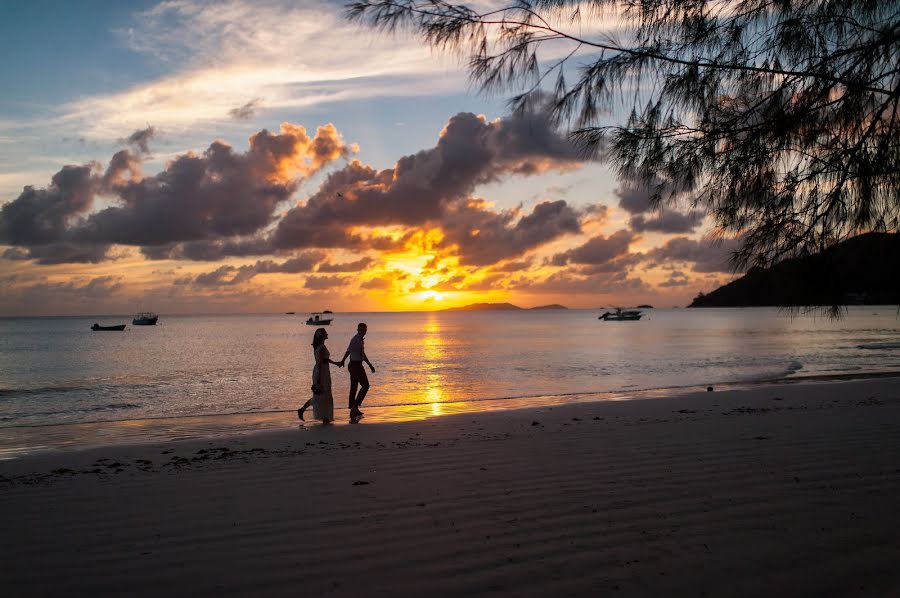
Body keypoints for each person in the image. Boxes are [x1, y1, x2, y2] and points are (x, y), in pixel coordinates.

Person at [297, 328, 342, 424]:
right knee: (322, 394)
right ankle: (323, 416)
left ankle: (323, 416)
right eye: (326, 333)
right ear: (322, 335)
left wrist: (336, 363)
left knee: (321, 394)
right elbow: (321, 363)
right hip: (322, 372)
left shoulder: (319, 346)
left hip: (320, 370)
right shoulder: (321, 347)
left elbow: (324, 360)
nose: (327, 334)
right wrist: (318, 381)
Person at [339, 322, 375, 418]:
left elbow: (362, 354)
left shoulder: (360, 340)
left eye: (364, 329)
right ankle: (354, 406)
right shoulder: (355, 339)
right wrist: (342, 361)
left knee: (354, 387)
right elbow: (348, 351)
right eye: (361, 329)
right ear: (357, 330)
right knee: (365, 385)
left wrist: (370, 365)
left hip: (356, 364)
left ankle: (353, 409)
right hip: (355, 365)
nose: (363, 331)